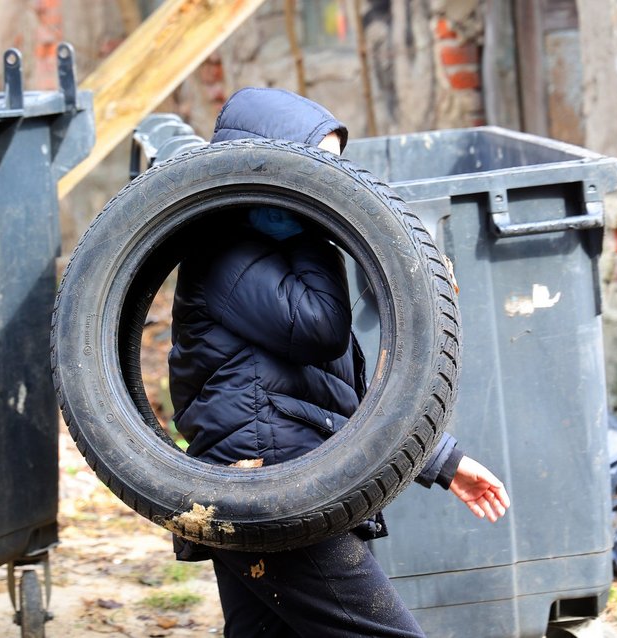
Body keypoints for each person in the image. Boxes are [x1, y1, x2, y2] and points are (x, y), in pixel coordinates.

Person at [167, 87, 511, 637]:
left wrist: (441, 462)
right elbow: (318, 329)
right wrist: (322, 228)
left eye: (336, 169)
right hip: (270, 482)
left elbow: (325, 403)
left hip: (263, 474)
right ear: (269, 165)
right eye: (317, 169)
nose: (335, 187)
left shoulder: (269, 248)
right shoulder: (225, 248)